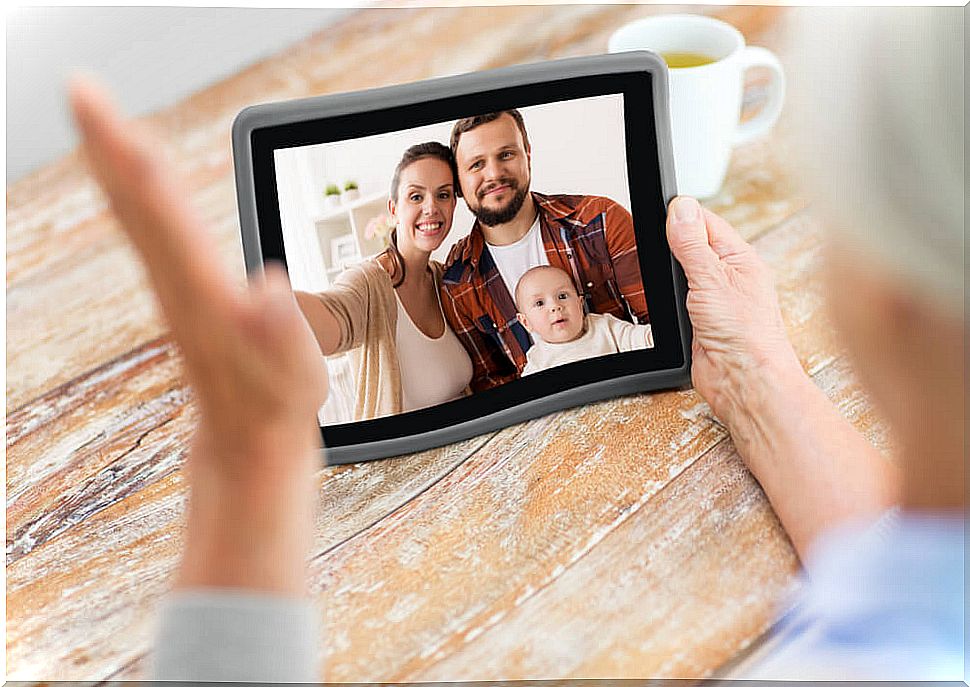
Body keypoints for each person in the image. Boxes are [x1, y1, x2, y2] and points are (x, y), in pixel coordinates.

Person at [66, 7, 962, 681]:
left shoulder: (600, 221)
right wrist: (760, 375)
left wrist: (246, 479)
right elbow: (353, 319)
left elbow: (642, 326)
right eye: (458, 174)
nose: (479, 181)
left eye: (500, 159)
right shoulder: (434, 275)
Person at [440, 109, 648, 392]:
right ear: (459, 184)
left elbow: (663, 332)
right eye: (476, 164)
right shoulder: (458, 281)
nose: (494, 174)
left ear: (527, 154)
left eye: (506, 155)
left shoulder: (601, 220)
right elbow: (493, 388)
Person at [293, 142, 473, 420]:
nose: (431, 208)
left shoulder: (444, 278)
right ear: (393, 209)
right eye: (415, 196)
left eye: (443, 195)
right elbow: (331, 316)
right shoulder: (368, 282)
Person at [514, 265, 654, 376]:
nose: (555, 307)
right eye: (539, 303)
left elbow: (641, 338)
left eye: (562, 296)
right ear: (526, 322)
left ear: (580, 304)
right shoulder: (537, 361)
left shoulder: (604, 327)